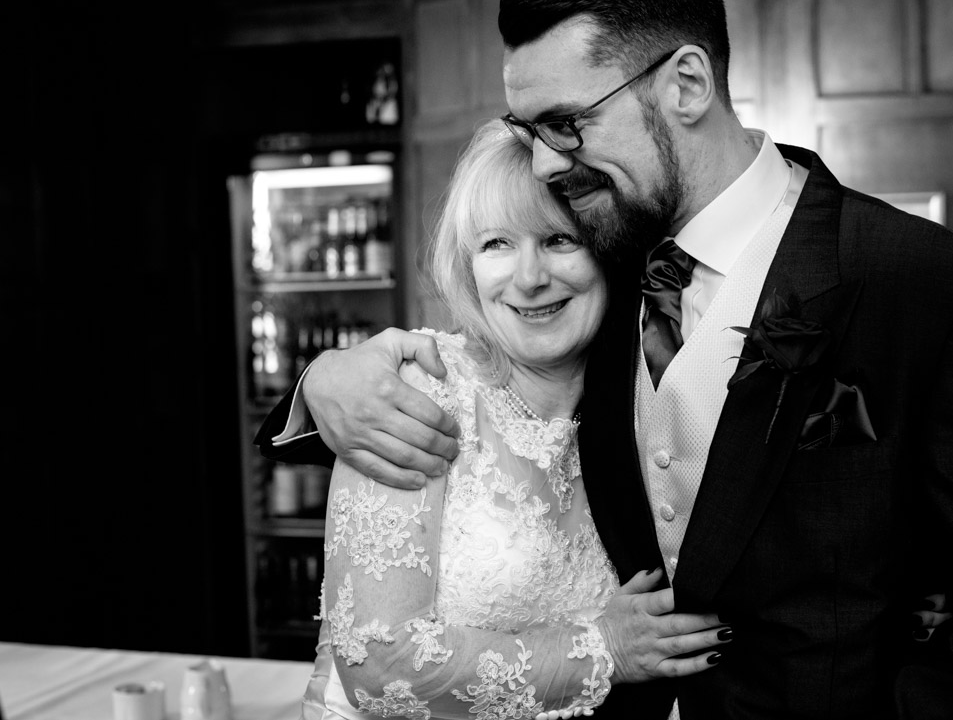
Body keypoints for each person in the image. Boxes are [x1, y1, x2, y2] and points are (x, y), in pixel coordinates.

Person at [260, 0, 953, 718]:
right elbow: (495, 374)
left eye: (567, 124)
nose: (548, 163)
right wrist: (323, 380)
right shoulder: (601, 263)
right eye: (531, 129)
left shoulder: (930, 288)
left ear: (687, 85)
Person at [292, 119, 733, 719]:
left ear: (608, 252)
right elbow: (375, 662)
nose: (528, 279)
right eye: (496, 244)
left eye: (558, 240)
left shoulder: (647, 398)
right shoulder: (420, 391)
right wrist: (600, 649)